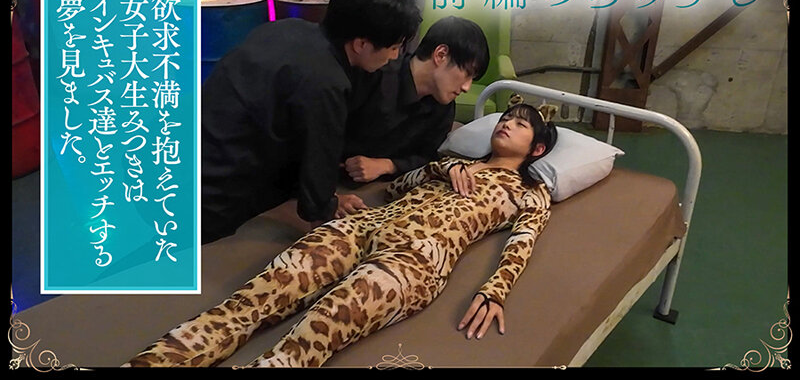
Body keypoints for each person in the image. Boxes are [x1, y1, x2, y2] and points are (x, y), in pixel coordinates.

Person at [124, 103, 558, 368]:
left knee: (319, 329)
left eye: (520, 125)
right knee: (255, 299)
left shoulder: (530, 191)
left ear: (536, 149)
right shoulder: (452, 164)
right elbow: (395, 187)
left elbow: (522, 243)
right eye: (506, 118)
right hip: (365, 226)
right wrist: (442, 167)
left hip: (416, 259)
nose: (507, 124)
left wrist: (494, 291)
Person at [201, 0, 421, 243]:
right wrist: (326, 207)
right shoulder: (325, 81)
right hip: (213, 192)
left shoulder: (286, 28)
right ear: (361, 44)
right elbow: (319, 162)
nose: (395, 57)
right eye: (394, 47)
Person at [338, 16, 490, 206]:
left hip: (387, 186)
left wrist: (387, 165)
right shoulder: (375, 74)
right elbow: (320, 130)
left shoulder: (443, 105)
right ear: (441, 55)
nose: (467, 87)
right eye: (467, 74)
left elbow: (428, 156)